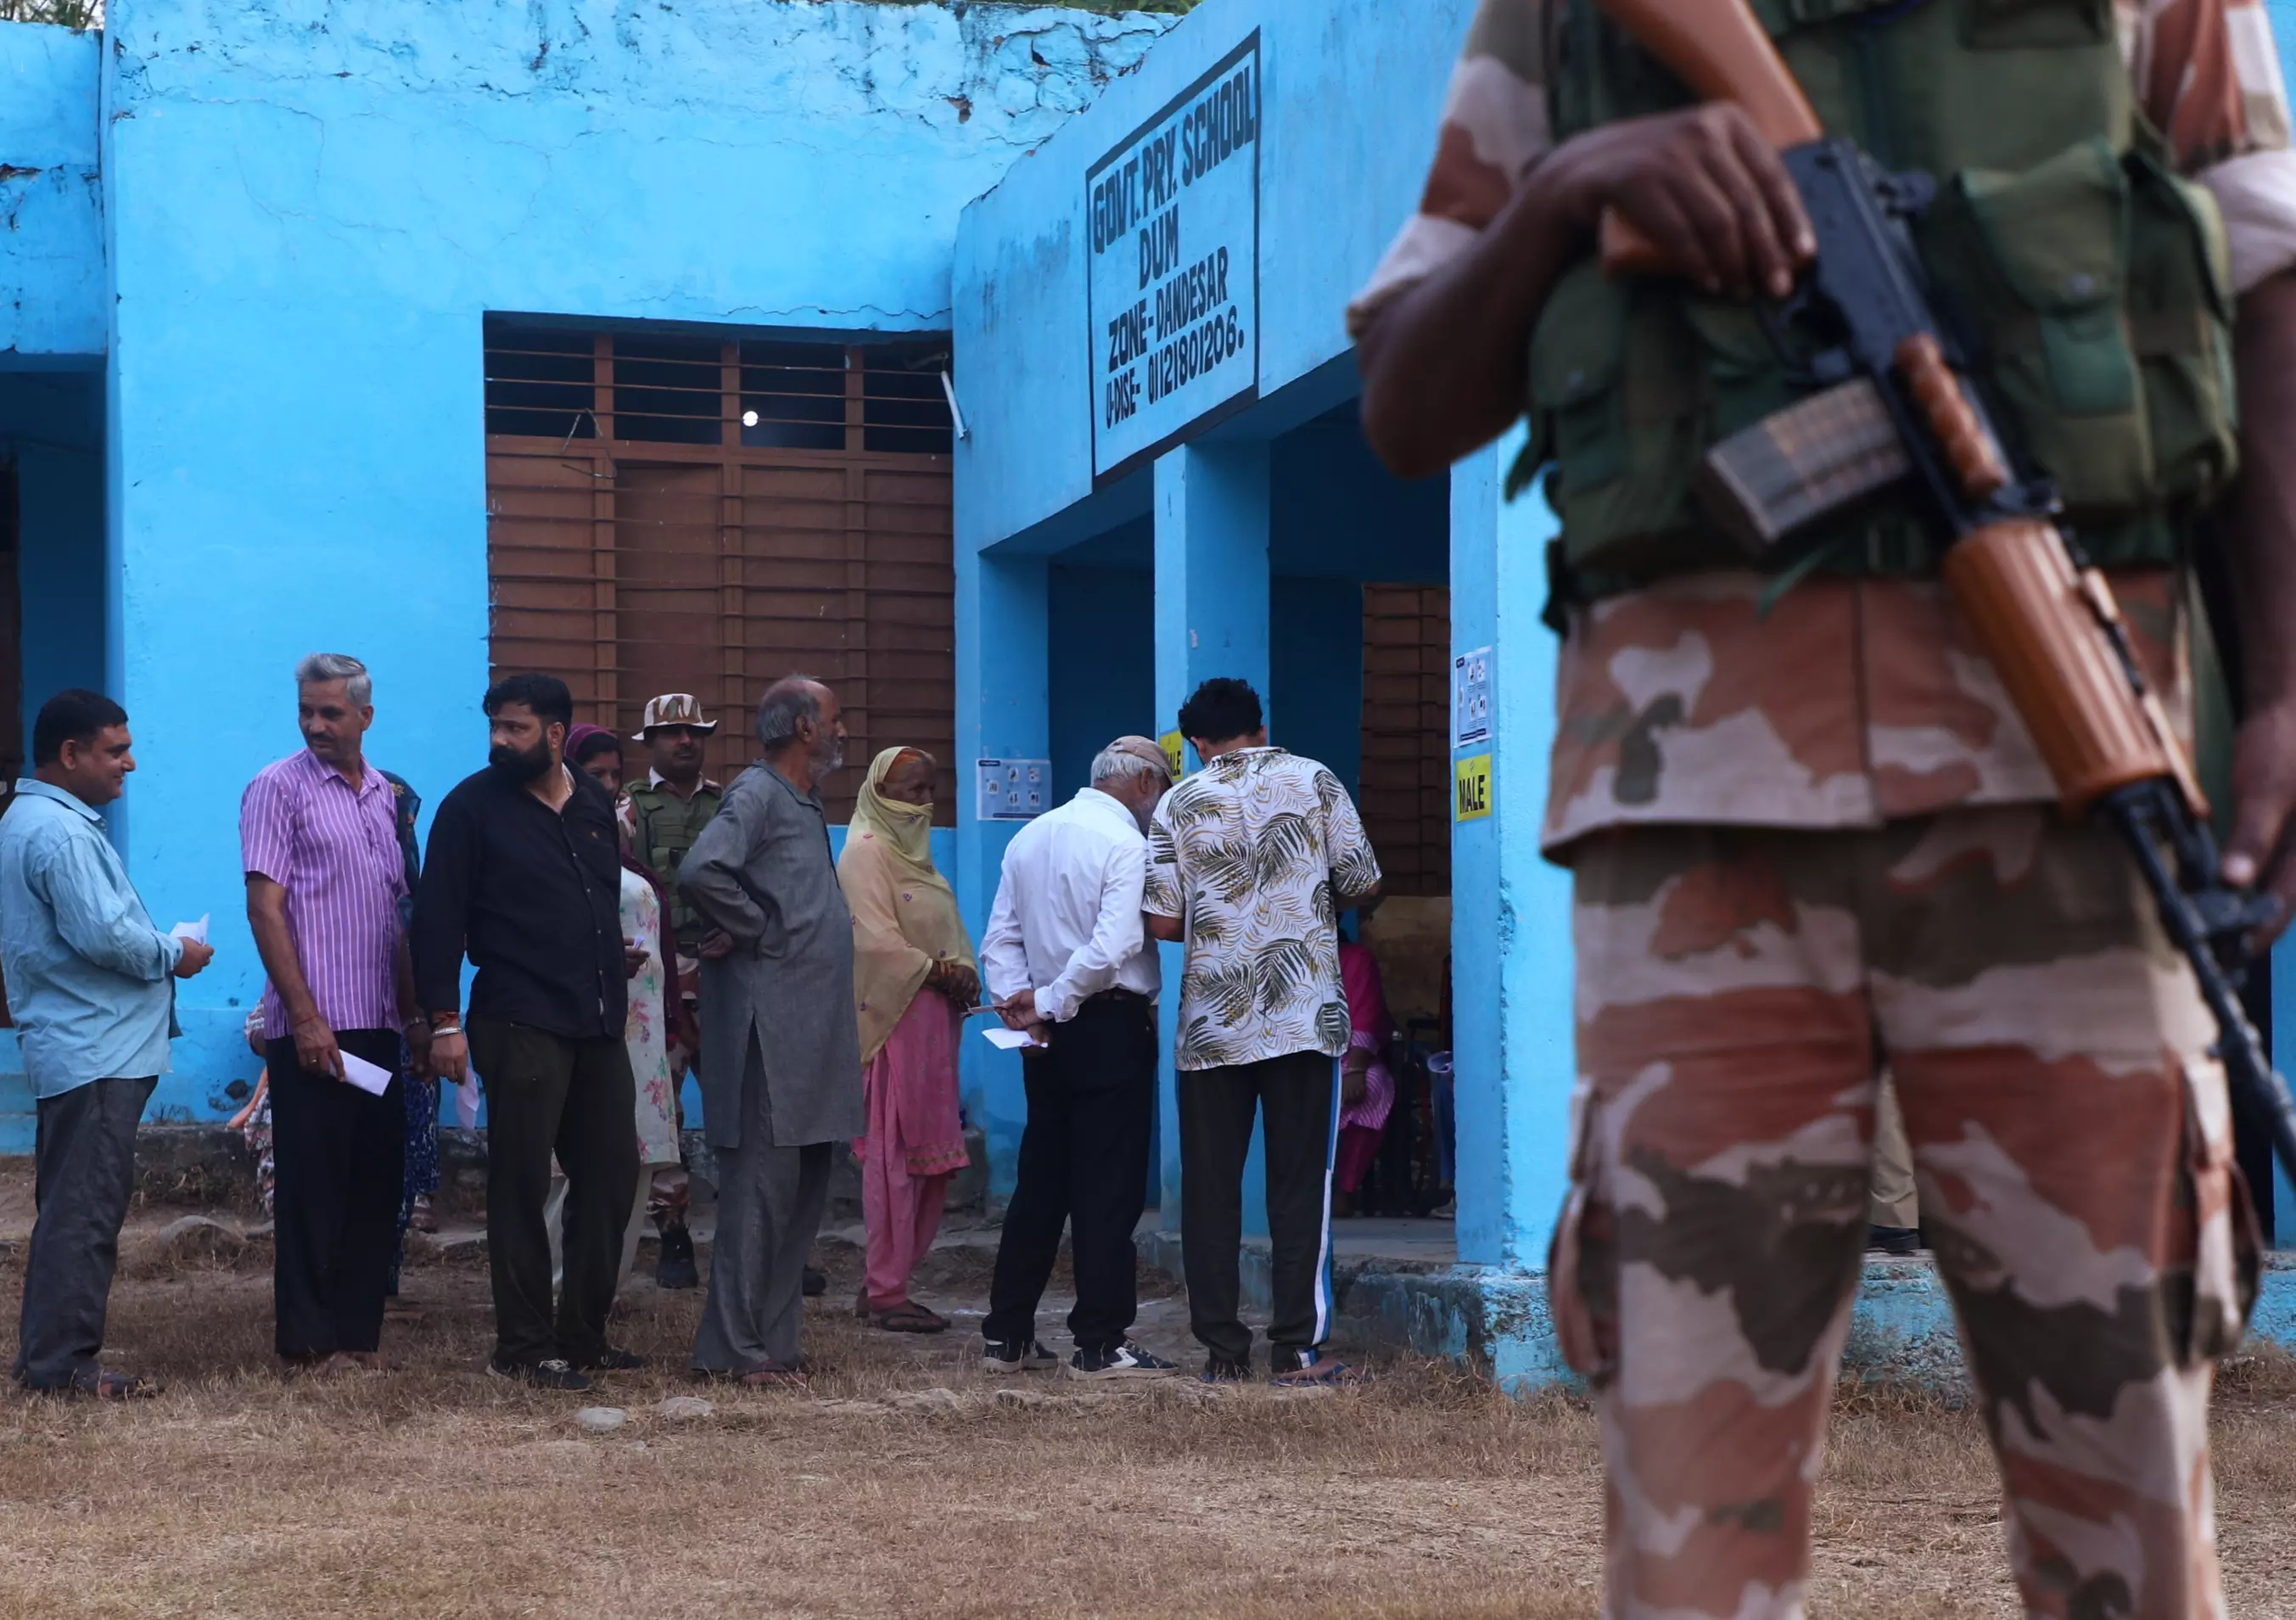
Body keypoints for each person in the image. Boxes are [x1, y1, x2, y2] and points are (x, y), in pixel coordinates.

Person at [1351, 3, 2296, 1612]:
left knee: (2131, 1514)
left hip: (2065, 791)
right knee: (1690, 1541)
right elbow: (1403, 394)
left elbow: (2268, 294)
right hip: (1698, 837)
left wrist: (2279, 686)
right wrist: (1575, 183)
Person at [1144, 680, 1381, 1387]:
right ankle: (1297, 1349)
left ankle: (1222, 1351)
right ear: (1261, 726)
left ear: (1195, 742)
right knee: (1301, 1185)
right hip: (1303, 1015)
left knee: (1211, 1191)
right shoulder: (1314, 779)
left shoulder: (1178, 801)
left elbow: (1160, 922)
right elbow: (1364, 879)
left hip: (1211, 1025)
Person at [412, 673, 644, 1393]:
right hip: (518, 1015)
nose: (498, 741)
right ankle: (522, 1343)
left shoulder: (595, 803)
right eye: (494, 726)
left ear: (553, 733)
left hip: (598, 1017)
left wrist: (609, 951)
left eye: (514, 728)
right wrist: (442, 1023)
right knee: (520, 1178)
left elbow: (601, 898)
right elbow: (437, 921)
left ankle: (582, 1334)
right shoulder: (470, 808)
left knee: (612, 1175)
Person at [0, 689, 215, 1399]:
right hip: (93, 1050)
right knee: (85, 1208)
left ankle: (47, 1357)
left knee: (75, 1204)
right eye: (116, 750)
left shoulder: (36, 821)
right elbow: (104, 937)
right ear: (71, 754)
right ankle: (62, 1366)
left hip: (86, 1046)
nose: (131, 763)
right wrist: (173, 952)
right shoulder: (58, 832)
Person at [241, 653, 429, 1375]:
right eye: (306, 711)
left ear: (365, 717)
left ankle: (356, 1336)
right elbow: (266, 907)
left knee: (375, 1184)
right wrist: (304, 1014)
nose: (316, 725)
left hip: (377, 1025)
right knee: (315, 1186)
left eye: (330, 712)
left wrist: (414, 1020)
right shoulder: (276, 787)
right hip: (315, 1025)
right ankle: (307, 1342)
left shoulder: (384, 795)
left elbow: (397, 915)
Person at [679, 675, 862, 1388]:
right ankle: (733, 1347)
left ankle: (775, 1342)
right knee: (759, 1188)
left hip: (810, 1027)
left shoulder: (803, 799)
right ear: (805, 728)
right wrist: (756, 926)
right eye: (836, 719)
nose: (844, 731)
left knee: (802, 1186)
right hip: (766, 1029)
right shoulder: (756, 793)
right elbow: (701, 868)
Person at [980, 737, 1180, 1380]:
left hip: (1046, 1035)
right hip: (1105, 1022)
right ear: (1146, 784)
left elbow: (1000, 939)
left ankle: (1005, 1334)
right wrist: (1049, 1002)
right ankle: (1099, 1340)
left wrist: (1022, 1003)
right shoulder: (1127, 843)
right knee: (1107, 1186)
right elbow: (1115, 942)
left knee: (1042, 1180)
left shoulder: (1031, 835)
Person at [837, 747, 976, 1334]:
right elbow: (873, 941)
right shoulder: (867, 854)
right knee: (893, 1161)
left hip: (933, 1030)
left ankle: (890, 1280)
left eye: (929, 790)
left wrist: (962, 971)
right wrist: (943, 971)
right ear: (878, 794)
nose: (921, 803)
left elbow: (949, 933)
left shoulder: (919, 863)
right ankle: (887, 1288)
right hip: (893, 1024)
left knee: (930, 1163)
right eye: (909, 791)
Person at [545, 723, 686, 1288]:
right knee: (573, 1168)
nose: (606, 785)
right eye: (593, 773)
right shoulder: (553, 842)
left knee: (635, 1162)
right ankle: (555, 1288)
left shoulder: (624, 852)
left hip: (643, 1036)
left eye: (612, 774)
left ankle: (602, 1288)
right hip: (583, 1027)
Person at [619, 693, 728, 1292]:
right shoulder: (631, 806)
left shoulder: (727, 804)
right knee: (666, 1112)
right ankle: (674, 1235)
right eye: (672, 732)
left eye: (695, 731)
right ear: (650, 741)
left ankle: (751, 1233)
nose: (685, 740)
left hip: (724, 976)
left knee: (741, 1108)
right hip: (657, 979)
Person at [1332, 932, 1397, 1216]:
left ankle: (1344, 1189)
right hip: (1306, 1058)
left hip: (1351, 1058)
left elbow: (1366, 1015)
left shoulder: (1355, 958)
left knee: (1370, 1087)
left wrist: (1356, 1068)